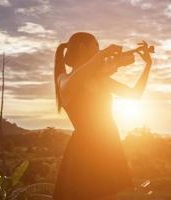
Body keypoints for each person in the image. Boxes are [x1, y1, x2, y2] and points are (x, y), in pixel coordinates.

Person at [53, 32, 152, 200]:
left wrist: (148, 66)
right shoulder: (64, 79)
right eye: (96, 46)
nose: (98, 51)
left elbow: (135, 94)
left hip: (108, 145)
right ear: (82, 47)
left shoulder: (100, 79)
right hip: (84, 151)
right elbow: (74, 82)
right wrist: (104, 56)